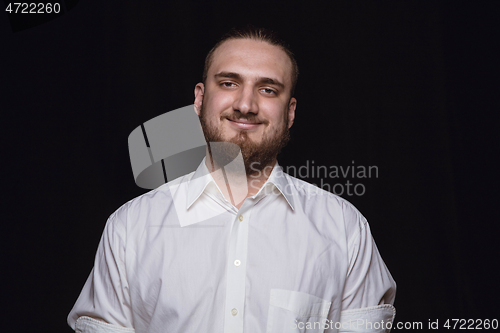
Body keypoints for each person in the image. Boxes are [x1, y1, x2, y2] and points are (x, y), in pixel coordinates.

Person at [68, 26, 396, 333]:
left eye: (268, 89)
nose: (245, 104)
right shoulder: (130, 228)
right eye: (228, 83)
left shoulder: (344, 229)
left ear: (291, 112)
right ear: (199, 99)